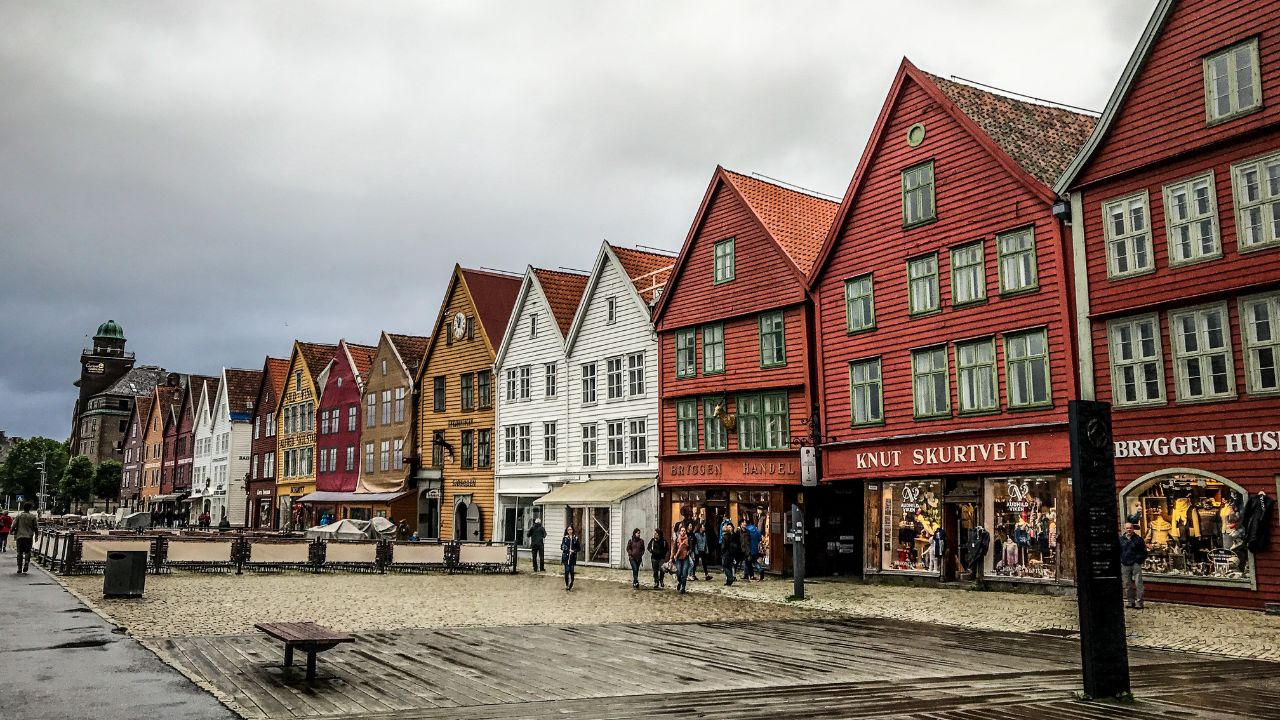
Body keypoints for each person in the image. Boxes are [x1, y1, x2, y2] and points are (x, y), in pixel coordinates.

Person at [1119, 522, 1148, 609]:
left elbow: (1144, 552)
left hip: (1135, 564)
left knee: (1138, 583)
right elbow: (1118, 551)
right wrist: (1122, 560)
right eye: (1127, 528)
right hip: (1125, 564)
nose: (1129, 530)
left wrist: (1138, 561)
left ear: (1133, 529)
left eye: (1130, 528)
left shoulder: (1138, 539)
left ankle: (1139, 602)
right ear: (1124, 529)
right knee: (1127, 584)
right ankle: (1130, 601)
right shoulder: (1121, 539)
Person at [13, 503, 38, 574]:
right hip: (29, 536)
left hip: (20, 536)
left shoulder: (19, 516)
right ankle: (26, 562)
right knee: (28, 551)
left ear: (23, 508)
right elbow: (35, 527)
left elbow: (14, 525)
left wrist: (11, 531)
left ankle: (19, 568)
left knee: (19, 552)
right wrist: (36, 535)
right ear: (30, 508)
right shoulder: (33, 517)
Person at [560, 525, 581, 590]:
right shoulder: (565, 538)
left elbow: (578, 548)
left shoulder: (575, 538)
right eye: (568, 530)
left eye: (570, 529)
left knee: (571, 571)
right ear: (567, 531)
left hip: (572, 557)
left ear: (572, 530)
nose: (569, 531)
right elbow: (562, 547)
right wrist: (566, 549)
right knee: (566, 571)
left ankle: (571, 582)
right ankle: (567, 584)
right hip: (566, 557)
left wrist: (574, 551)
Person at [672, 526, 692, 594]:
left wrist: (688, 552)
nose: (683, 532)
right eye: (682, 530)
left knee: (684, 572)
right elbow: (674, 548)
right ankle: (680, 582)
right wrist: (672, 557)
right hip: (678, 558)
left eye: (684, 531)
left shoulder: (688, 539)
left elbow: (690, 548)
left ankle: (683, 587)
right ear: (679, 532)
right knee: (679, 572)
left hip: (685, 558)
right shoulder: (677, 539)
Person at [719, 518, 738, 586]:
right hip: (731, 553)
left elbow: (723, 546)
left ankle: (730, 578)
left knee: (725, 566)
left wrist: (722, 551)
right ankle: (728, 581)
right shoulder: (731, 535)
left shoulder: (725, 536)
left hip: (726, 553)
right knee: (729, 566)